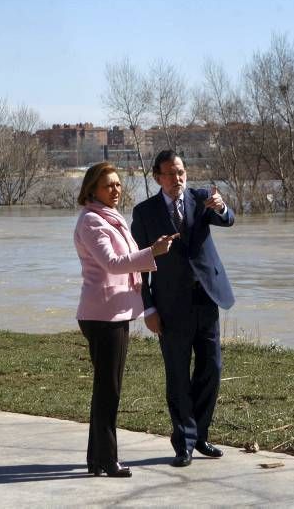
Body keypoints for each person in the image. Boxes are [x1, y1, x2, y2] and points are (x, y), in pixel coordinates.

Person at [74, 161, 178, 478]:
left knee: (106, 387)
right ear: (93, 189)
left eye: (118, 184)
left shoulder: (109, 217)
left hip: (112, 312)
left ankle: (97, 459)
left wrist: (150, 251)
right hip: (103, 315)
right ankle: (107, 460)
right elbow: (113, 263)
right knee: (109, 390)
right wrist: (153, 252)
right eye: (109, 185)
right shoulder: (93, 222)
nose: (116, 190)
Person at [131, 150, 235, 467]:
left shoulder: (201, 199)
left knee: (211, 369)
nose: (177, 179)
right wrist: (148, 309)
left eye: (180, 172)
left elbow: (227, 219)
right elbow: (139, 266)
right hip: (170, 306)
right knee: (178, 375)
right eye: (170, 173)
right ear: (156, 177)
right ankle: (184, 443)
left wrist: (222, 206)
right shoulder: (145, 212)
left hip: (206, 299)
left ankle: (200, 435)